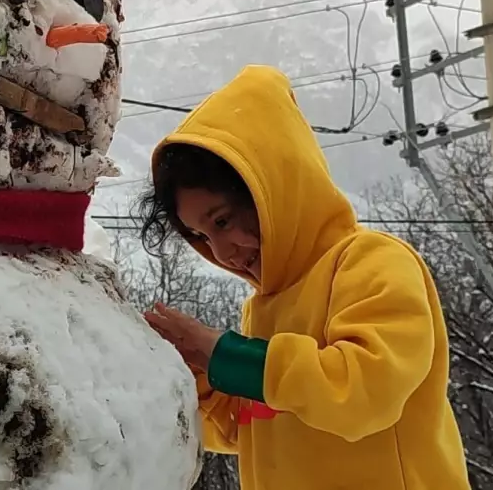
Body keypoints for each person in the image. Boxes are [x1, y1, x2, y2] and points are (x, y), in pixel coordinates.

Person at [137, 64, 471, 490]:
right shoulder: (261, 309)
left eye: (222, 221)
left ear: (276, 188)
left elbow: (362, 393)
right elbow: (247, 427)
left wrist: (221, 352)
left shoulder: (371, 261)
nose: (221, 251)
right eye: (201, 235)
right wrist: (194, 370)